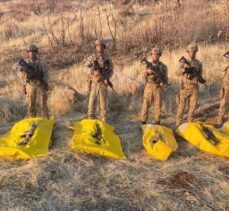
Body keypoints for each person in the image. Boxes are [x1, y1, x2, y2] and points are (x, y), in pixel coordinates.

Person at [176, 43, 204, 127]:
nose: (192, 53)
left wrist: (200, 79)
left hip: (195, 87)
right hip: (185, 87)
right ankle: (178, 124)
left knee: (192, 107)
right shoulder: (183, 62)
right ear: (187, 52)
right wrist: (184, 69)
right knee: (181, 107)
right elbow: (176, 72)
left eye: (194, 52)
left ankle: (190, 123)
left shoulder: (198, 63)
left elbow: (200, 74)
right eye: (191, 52)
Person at [18, 43, 49, 118]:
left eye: (33, 51)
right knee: (31, 104)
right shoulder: (25, 63)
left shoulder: (41, 62)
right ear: (28, 53)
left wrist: (44, 82)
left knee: (43, 103)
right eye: (30, 52)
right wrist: (23, 70)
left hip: (40, 84)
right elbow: (20, 72)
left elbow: (46, 74)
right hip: (30, 85)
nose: (32, 53)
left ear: (36, 52)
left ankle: (45, 121)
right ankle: (32, 121)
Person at [85, 40, 113, 122]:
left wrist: (107, 78)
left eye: (101, 46)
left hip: (103, 84)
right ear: (95, 47)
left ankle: (103, 121)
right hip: (94, 84)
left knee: (103, 106)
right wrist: (93, 71)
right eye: (97, 46)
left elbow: (111, 71)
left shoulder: (107, 59)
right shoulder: (92, 58)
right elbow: (84, 68)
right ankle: (91, 121)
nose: (99, 48)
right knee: (91, 104)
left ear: (103, 47)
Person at [140, 47, 168, 125]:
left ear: (160, 55)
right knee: (145, 104)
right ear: (151, 55)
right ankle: (143, 122)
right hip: (149, 87)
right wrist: (147, 72)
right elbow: (143, 77)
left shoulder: (163, 66)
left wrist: (164, 83)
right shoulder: (147, 65)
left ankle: (157, 121)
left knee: (158, 105)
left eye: (157, 54)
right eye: (153, 54)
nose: (155, 56)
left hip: (158, 87)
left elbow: (165, 78)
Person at [217, 51, 229, 126]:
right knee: (224, 102)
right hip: (227, 85)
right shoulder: (227, 64)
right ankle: (220, 119)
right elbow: (221, 69)